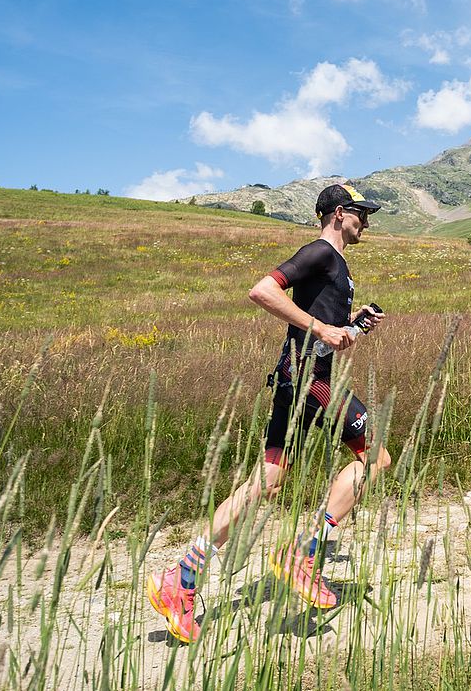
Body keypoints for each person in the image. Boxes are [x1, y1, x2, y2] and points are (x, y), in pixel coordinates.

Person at [147, 183, 390, 643]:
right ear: (338, 213)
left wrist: (350, 322)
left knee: (268, 481)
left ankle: (181, 578)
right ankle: (303, 553)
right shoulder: (321, 251)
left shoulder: (333, 264)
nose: (366, 220)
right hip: (309, 379)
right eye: (360, 212)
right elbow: (262, 291)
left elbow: (320, 326)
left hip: (294, 376)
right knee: (376, 458)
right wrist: (322, 327)